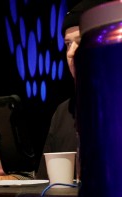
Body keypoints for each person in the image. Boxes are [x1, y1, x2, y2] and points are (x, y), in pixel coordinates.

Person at [36, 0, 107, 180]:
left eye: (80, 41)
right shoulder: (62, 113)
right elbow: (43, 185)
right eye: (68, 44)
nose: (71, 52)